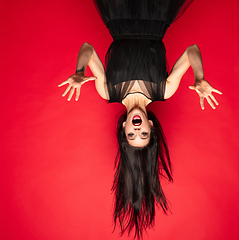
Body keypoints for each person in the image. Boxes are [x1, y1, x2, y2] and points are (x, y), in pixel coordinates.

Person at [58, 0, 222, 238]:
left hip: (119, 11)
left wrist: (80, 71)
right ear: (151, 126)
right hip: (156, 11)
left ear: (123, 128)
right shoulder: (164, 91)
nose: (137, 129)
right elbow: (192, 50)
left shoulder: (107, 91)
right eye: (143, 134)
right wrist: (199, 77)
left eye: (131, 135)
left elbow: (88, 49)